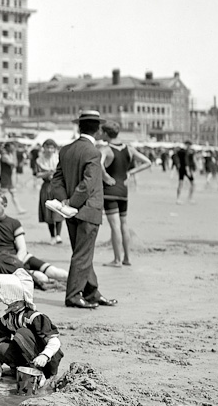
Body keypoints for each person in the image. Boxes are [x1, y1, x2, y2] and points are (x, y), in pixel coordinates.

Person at [46, 110, 115, 310]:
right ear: (99, 129)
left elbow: (56, 179)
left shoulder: (66, 149)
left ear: (79, 127)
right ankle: (74, 295)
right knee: (82, 255)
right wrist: (73, 202)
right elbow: (88, 184)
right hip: (87, 210)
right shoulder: (93, 152)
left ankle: (92, 292)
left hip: (70, 211)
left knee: (82, 252)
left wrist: (65, 201)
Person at [0, 273, 67, 389]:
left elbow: (55, 342)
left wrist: (44, 356)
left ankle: (40, 373)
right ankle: (22, 369)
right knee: (1, 348)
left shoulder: (35, 317)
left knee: (22, 333)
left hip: (47, 360)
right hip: (26, 356)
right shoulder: (6, 320)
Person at [0, 193, 69, 291]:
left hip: (21, 258)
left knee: (56, 273)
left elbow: (22, 248)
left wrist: (18, 262)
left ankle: (77, 281)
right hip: (2, 262)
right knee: (42, 278)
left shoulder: (14, 223)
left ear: (5, 205)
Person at [100, 122, 152, 266]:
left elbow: (98, 164)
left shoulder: (106, 149)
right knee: (124, 224)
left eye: (102, 132)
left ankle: (117, 260)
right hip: (123, 191)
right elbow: (148, 162)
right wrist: (130, 172)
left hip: (110, 191)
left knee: (115, 226)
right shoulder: (129, 149)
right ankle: (127, 258)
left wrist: (105, 176)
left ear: (106, 133)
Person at [35, 138, 63, 242]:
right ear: (44, 148)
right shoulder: (39, 160)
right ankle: (52, 235)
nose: (50, 150)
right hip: (46, 187)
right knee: (48, 211)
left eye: (52, 147)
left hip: (57, 186)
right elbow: (37, 174)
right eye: (47, 147)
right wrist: (48, 173)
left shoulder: (58, 159)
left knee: (58, 210)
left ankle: (59, 235)